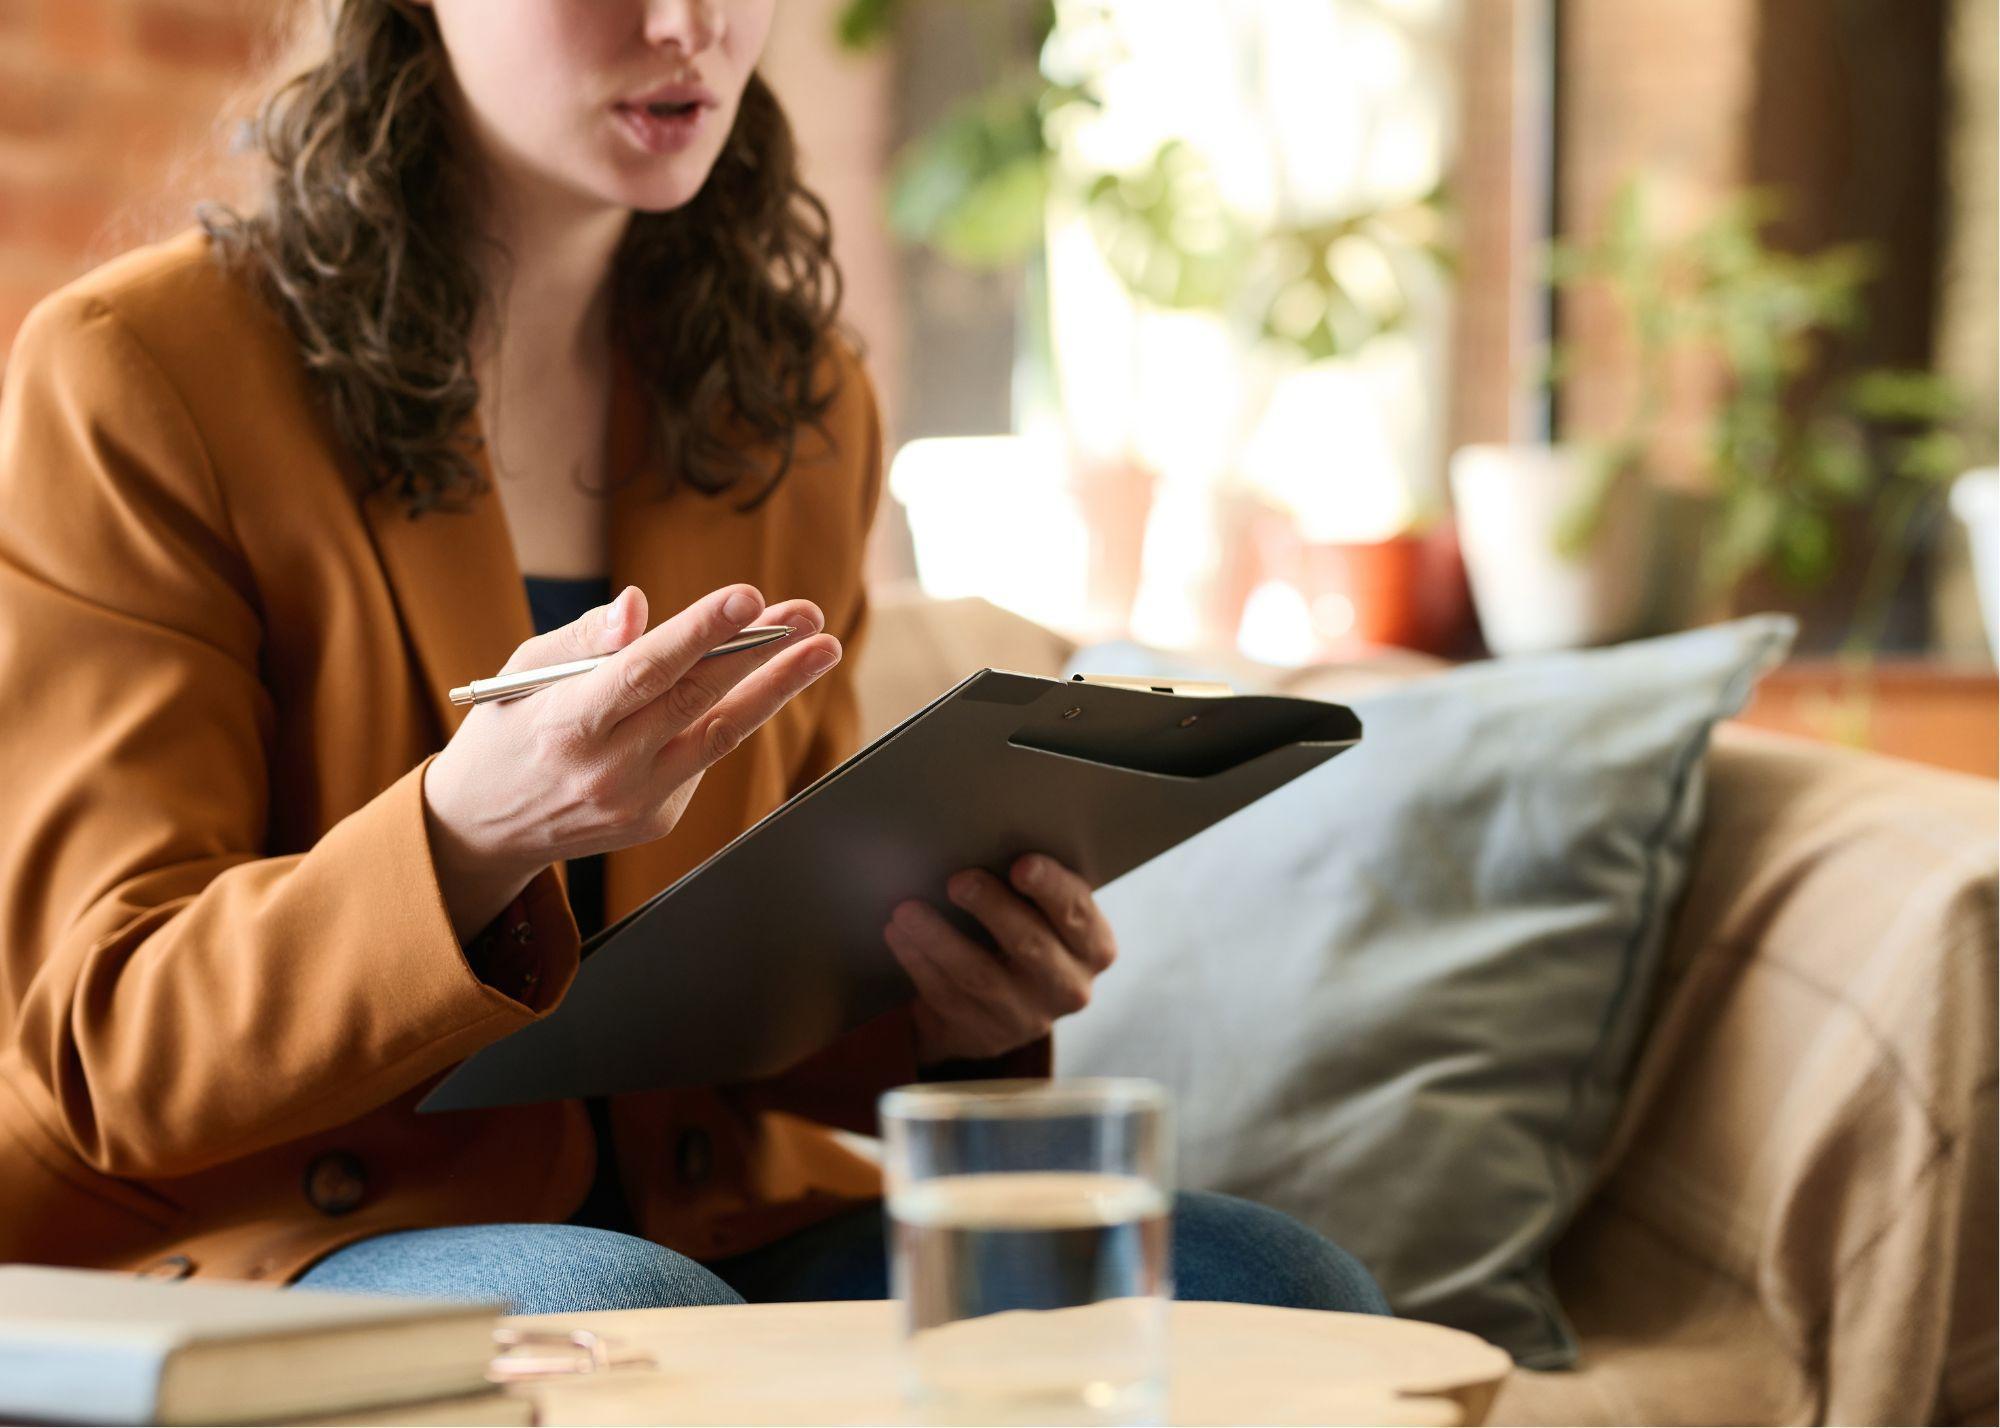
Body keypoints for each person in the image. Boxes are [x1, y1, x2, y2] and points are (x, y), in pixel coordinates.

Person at [0, 0, 1387, 1318]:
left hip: (704, 1218)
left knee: (1276, 1288)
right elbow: (102, 1044)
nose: (686, 24)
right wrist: (464, 833)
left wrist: (951, 998)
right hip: (268, 1234)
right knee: (620, 1318)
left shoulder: (796, 398)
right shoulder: (139, 373)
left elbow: (756, 978)